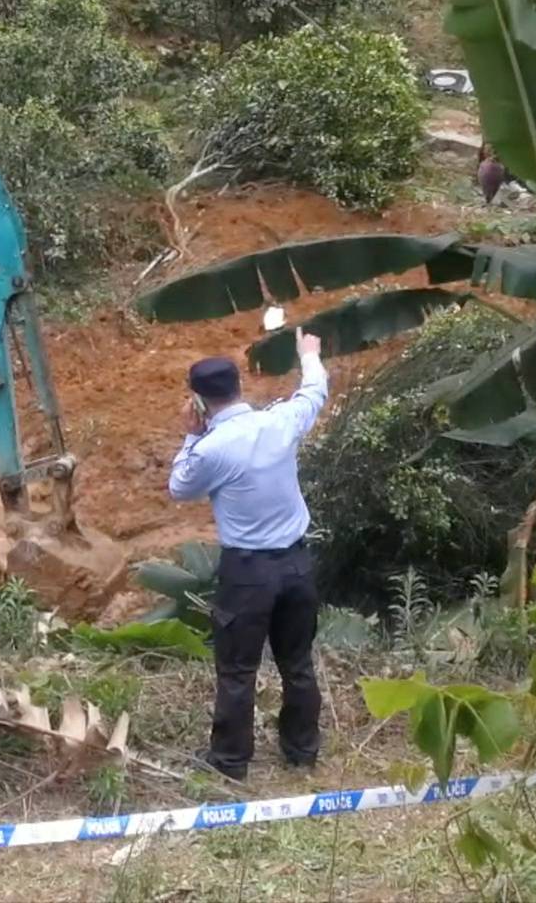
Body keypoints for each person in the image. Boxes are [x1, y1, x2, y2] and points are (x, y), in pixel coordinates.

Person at [168, 330, 328, 782]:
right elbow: (314, 391)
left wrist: (188, 437)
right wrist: (309, 355)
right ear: (238, 386)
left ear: (198, 402)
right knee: (297, 663)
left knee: (238, 671)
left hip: (247, 574)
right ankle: (302, 752)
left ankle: (230, 762)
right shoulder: (280, 422)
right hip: (297, 564)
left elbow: (179, 487)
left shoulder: (210, 450)